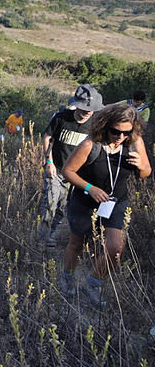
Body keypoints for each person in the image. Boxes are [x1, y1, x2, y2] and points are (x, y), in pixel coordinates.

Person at [61, 104, 151, 307]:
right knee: (77, 244)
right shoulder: (90, 144)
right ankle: (67, 278)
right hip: (85, 201)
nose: (120, 136)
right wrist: (90, 188)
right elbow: (68, 171)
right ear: (105, 126)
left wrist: (141, 166)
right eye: (115, 131)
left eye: (126, 132)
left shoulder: (135, 143)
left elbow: (146, 172)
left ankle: (92, 284)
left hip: (115, 201)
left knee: (115, 247)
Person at [39, 84, 104, 248]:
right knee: (50, 203)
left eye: (91, 109)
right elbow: (47, 137)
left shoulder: (95, 124)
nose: (88, 112)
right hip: (57, 169)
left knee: (63, 206)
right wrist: (48, 162)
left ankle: (52, 233)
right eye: (84, 108)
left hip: (77, 175)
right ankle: (42, 238)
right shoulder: (61, 118)